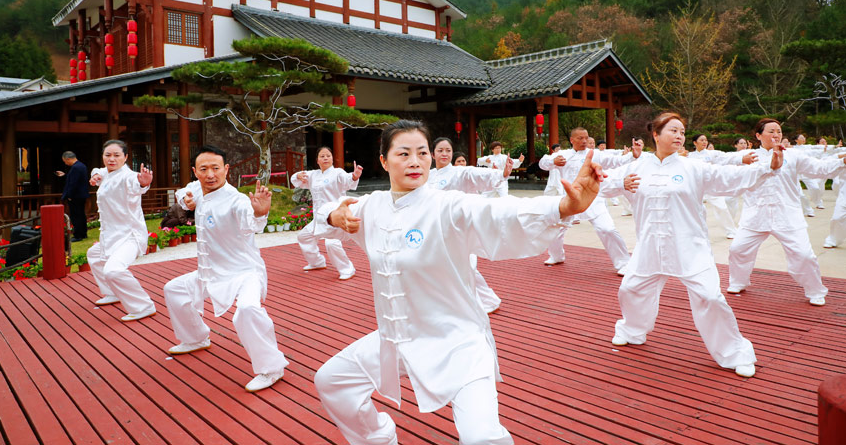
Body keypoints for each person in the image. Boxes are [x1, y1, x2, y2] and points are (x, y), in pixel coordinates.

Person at [313, 119, 606, 445]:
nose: (415, 161)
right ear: (383, 161)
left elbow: (502, 214)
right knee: (332, 381)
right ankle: (378, 438)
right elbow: (325, 214)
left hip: (457, 340)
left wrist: (564, 207)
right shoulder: (372, 206)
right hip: (398, 337)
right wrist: (333, 214)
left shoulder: (447, 206)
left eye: (422, 153)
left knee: (481, 438)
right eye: (404, 153)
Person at [604, 112, 784, 378]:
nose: (679, 136)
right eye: (673, 130)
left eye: (682, 132)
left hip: (690, 246)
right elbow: (600, 184)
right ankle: (632, 330)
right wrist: (621, 183)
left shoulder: (693, 167)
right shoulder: (636, 167)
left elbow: (728, 177)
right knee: (630, 289)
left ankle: (735, 353)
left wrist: (768, 166)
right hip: (649, 245)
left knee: (710, 297)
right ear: (655, 134)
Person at [164, 146, 289, 392]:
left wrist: (260, 213)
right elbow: (182, 193)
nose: (210, 174)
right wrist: (186, 200)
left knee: (247, 310)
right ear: (195, 172)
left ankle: (272, 368)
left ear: (226, 170)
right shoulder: (198, 189)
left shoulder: (237, 200)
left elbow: (249, 221)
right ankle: (196, 337)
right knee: (174, 290)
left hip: (243, 273)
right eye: (204, 169)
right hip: (209, 271)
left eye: (215, 168)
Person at [727, 119, 846, 306]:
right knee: (738, 249)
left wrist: (843, 161)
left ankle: (815, 290)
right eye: (771, 131)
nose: (776, 135)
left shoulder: (793, 155)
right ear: (758, 136)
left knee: (804, 255)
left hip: (787, 215)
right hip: (756, 215)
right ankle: (738, 282)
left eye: (779, 132)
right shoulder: (748, 157)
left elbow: (819, 168)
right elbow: (724, 172)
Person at [538, 127, 637, 274]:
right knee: (555, 227)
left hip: (593, 199)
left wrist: (632, 156)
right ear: (572, 140)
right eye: (580, 138)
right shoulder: (563, 155)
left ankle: (623, 263)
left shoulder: (595, 154)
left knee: (607, 229)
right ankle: (556, 256)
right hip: (569, 199)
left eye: (586, 138)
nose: (584, 141)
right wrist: (553, 160)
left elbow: (616, 161)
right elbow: (543, 163)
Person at [429, 136, 510, 314]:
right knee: (443, 264)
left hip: (457, 226)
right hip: (435, 226)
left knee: (465, 263)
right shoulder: (429, 175)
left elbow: (475, 173)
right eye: (440, 150)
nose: (444, 154)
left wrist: (500, 174)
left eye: (448, 150)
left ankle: (487, 300)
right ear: (432, 154)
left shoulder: (459, 172)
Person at [86, 140, 156, 322]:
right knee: (93, 255)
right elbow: (96, 171)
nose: (112, 159)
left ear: (125, 157)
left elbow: (136, 185)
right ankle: (112, 292)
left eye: (117, 155)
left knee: (113, 270)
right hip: (111, 236)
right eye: (108, 155)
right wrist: (95, 176)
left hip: (130, 236)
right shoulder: (105, 173)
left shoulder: (128, 176)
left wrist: (144, 184)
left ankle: (144, 306)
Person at [290, 146, 363, 280]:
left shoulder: (337, 173)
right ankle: (317, 262)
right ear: (317, 160)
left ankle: (347, 268)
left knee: (331, 243)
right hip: (318, 218)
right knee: (303, 237)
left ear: (332, 158)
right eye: (322, 156)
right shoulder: (313, 175)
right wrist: (298, 175)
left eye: (328, 156)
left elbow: (348, 180)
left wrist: (354, 176)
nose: (325, 158)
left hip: (334, 216)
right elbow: (296, 179)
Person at [687, 133, 746, 239]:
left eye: (705, 140)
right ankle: (694, 231)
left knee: (722, 207)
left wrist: (742, 157)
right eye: (702, 140)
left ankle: (731, 231)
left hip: (710, 186)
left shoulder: (712, 153)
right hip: (695, 187)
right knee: (695, 209)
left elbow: (727, 156)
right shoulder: (690, 156)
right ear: (695, 143)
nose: (705, 142)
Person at [59, 151, 89, 241]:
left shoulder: (75, 167)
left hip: (76, 195)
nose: (65, 163)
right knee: (81, 214)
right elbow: (74, 179)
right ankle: (83, 233)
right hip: (81, 195)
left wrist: (69, 195)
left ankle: (78, 235)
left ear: (68, 159)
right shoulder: (81, 166)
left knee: (76, 215)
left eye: (65, 161)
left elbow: (73, 183)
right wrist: (65, 176)